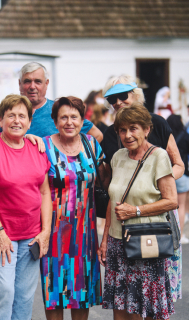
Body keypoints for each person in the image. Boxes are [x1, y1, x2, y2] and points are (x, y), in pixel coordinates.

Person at [101, 74, 183, 301]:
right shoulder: (110, 134)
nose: (117, 102)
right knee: (126, 296)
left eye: (121, 95)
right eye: (111, 99)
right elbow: (113, 181)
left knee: (154, 291)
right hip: (123, 221)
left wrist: (156, 184)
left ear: (135, 94)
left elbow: (178, 165)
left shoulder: (157, 123)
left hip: (157, 215)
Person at [0, 94, 52, 320]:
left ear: (29, 122)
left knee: (25, 298)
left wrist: (45, 231)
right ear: (0, 120)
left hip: (31, 236)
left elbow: (45, 191)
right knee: (3, 292)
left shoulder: (37, 148)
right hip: (0, 235)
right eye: (11, 115)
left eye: (22, 116)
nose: (17, 121)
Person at [40, 96, 105, 320]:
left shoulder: (91, 144)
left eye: (74, 117)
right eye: (63, 117)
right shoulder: (43, 146)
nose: (69, 122)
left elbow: (108, 181)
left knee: (82, 292)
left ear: (82, 119)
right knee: (54, 293)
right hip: (54, 231)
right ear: (55, 121)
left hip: (85, 233)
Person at [0, 62, 103, 142]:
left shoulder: (59, 109)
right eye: (27, 81)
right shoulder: (7, 110)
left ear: (46, 84)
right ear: (20, 84)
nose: (32, 86)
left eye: (38, 81)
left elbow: (97, 135)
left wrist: (75, 156)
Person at [167, 114, 189, 244]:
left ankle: (169, 232)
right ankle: (179, 235)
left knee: (169, 205)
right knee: (180, 205)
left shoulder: (167, 137)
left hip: (168, 173)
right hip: (182, 173)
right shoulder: (185, 136)